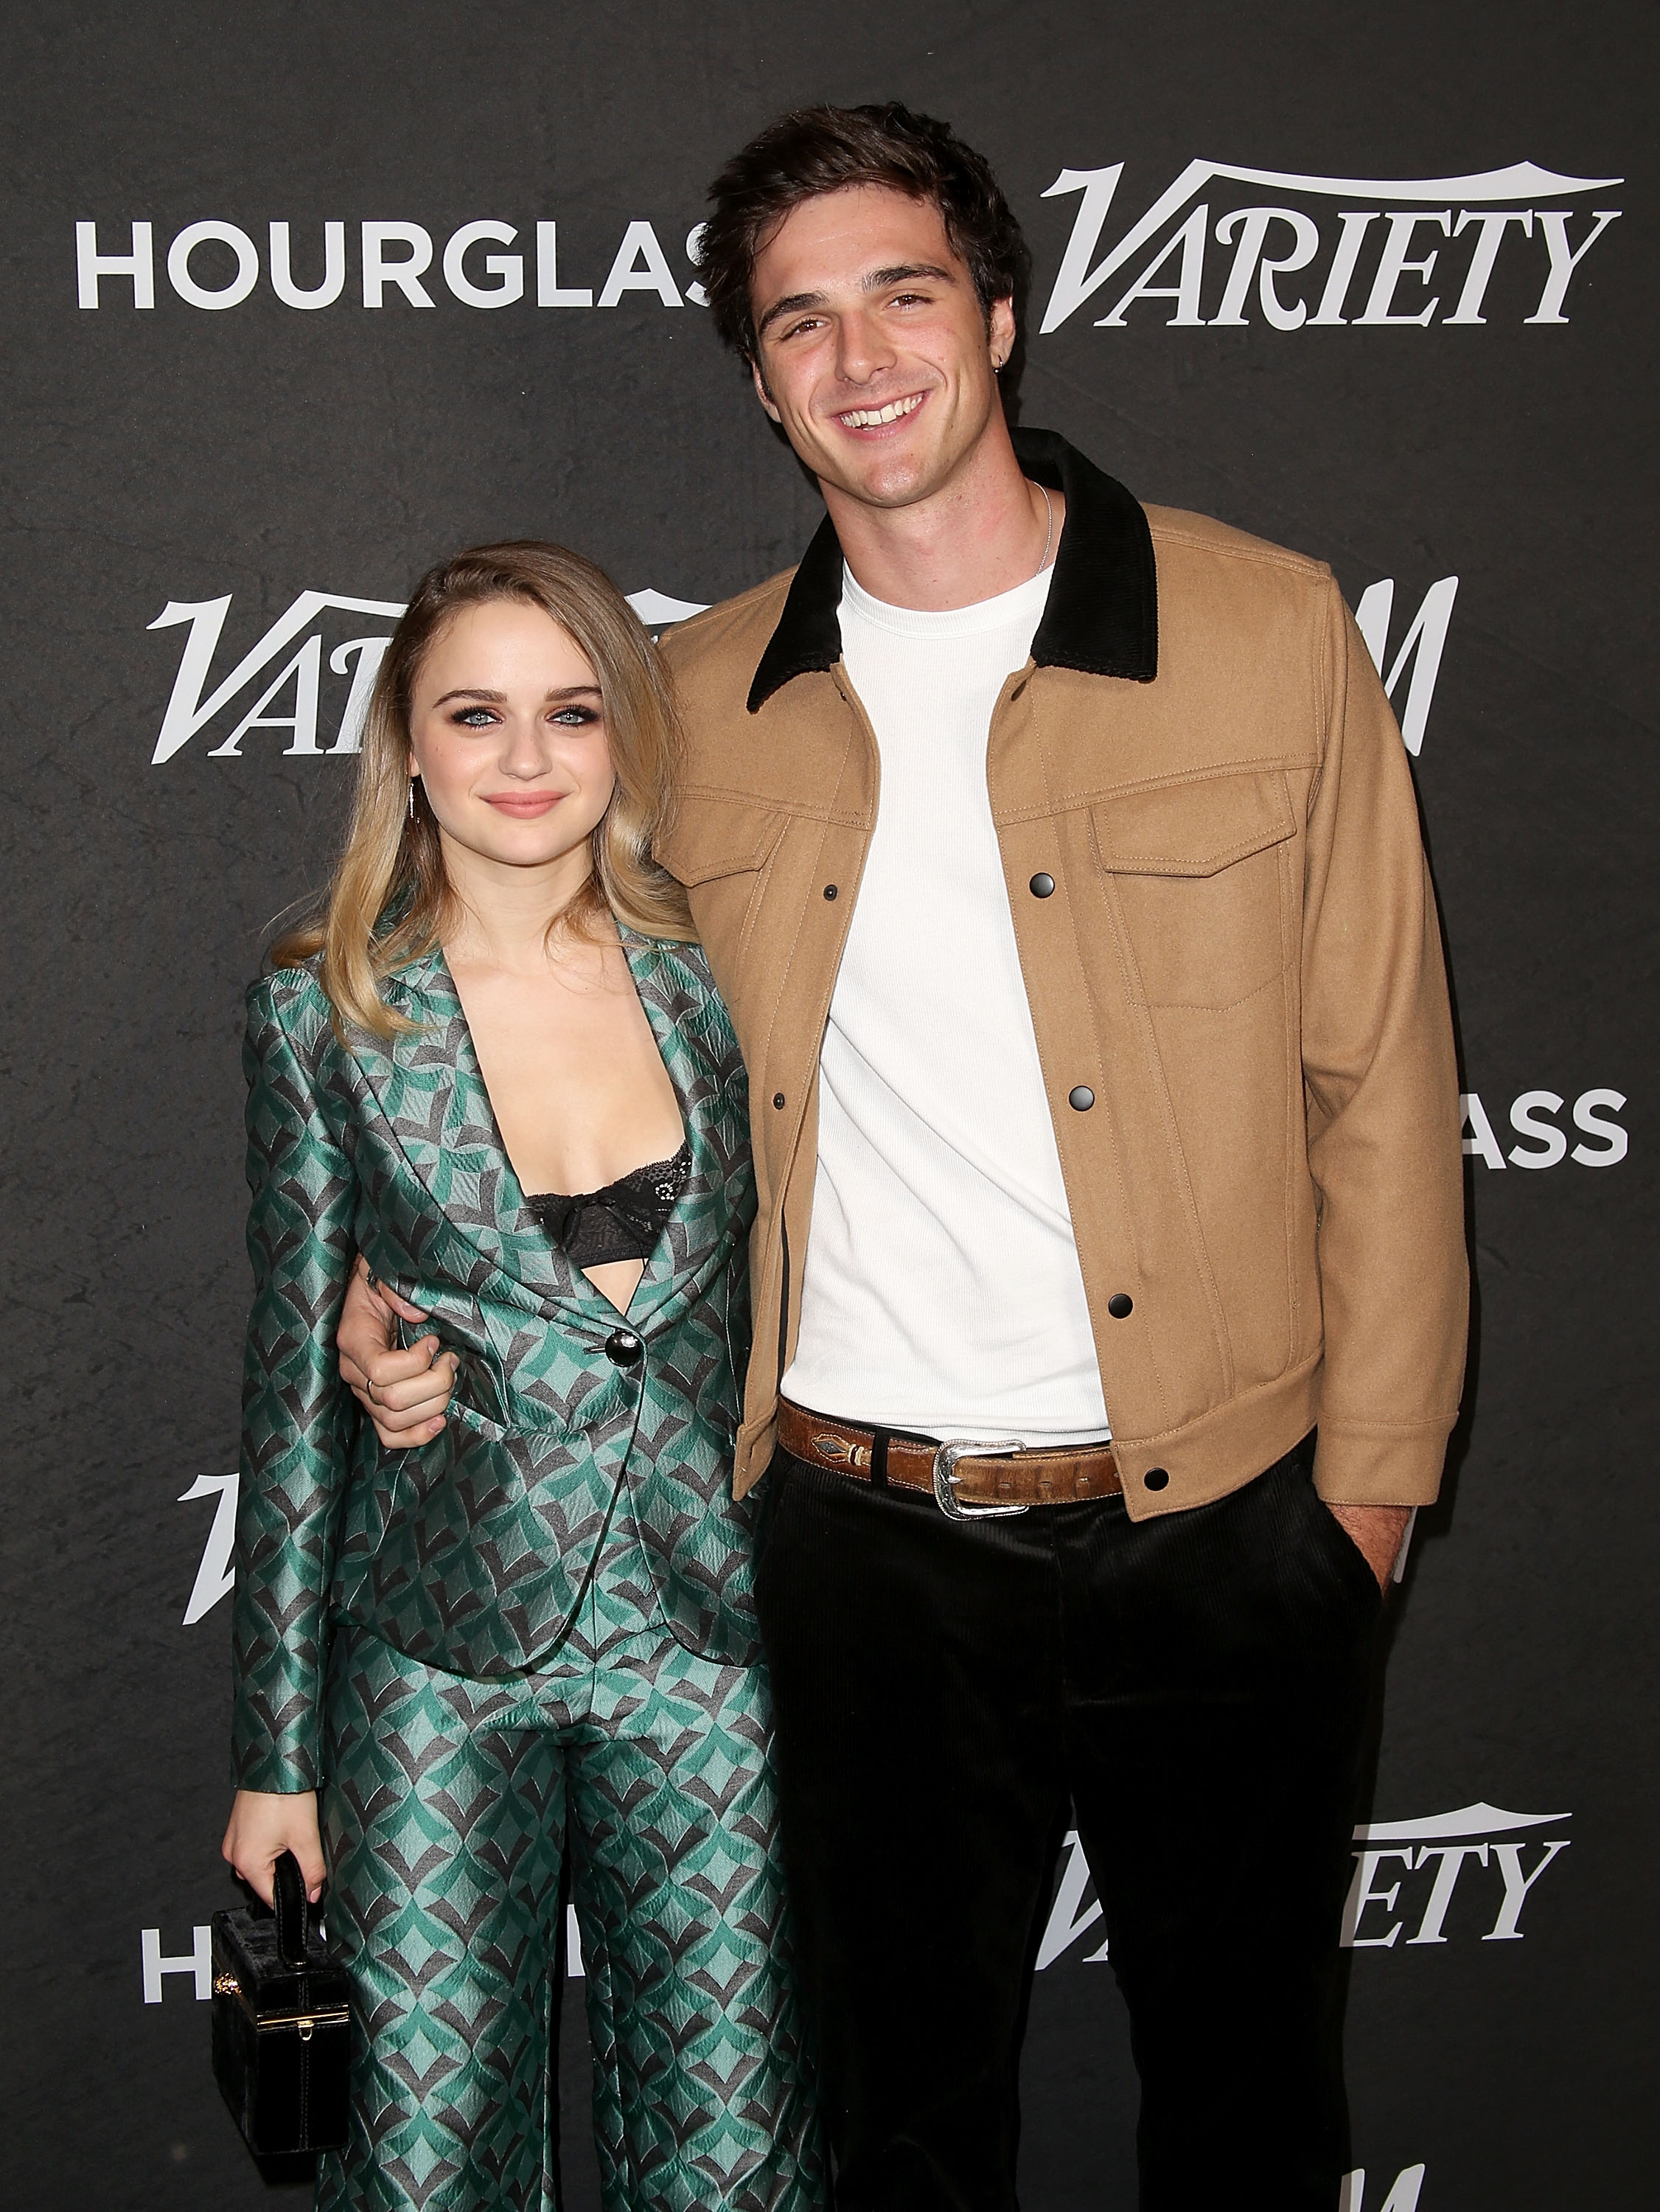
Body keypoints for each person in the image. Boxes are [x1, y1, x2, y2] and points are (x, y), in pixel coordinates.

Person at [343, 105, 1468, 2212]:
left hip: (1225, 1528)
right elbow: (520, 1016)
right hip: (854, 1550)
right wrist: (378, 1272)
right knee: (893, 2132)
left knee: (1245, 2118)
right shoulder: (684, 705)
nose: (860, 358)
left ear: (1002, 317)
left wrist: (1365, 1509)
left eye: (903, 294)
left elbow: (1381, 1087)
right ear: (760, 382)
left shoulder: (1263, 629)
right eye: (799, 323)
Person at [220, 541, 822, 2212]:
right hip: (434, 1667)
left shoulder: (719, 980)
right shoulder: (323, 1012)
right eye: (473, 715)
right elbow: (283, 1402)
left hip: (704, 1654)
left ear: (623, 736)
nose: (526, 760)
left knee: (732, 2150)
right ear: (406, 746)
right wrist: (277, 1758)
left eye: (570, 713)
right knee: (421, 2160)